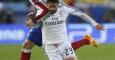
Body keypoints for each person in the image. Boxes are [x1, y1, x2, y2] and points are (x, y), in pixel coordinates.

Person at [20, 0, 105, 60]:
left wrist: (95, 24)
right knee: (27, 45)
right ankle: (86, 40)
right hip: (42, 20)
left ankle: (86, 40)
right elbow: (37, 7)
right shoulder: (42, 6)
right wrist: (33, 18)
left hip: (53, 21)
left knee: (60, 45)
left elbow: (80, 13)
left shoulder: (62, 7)